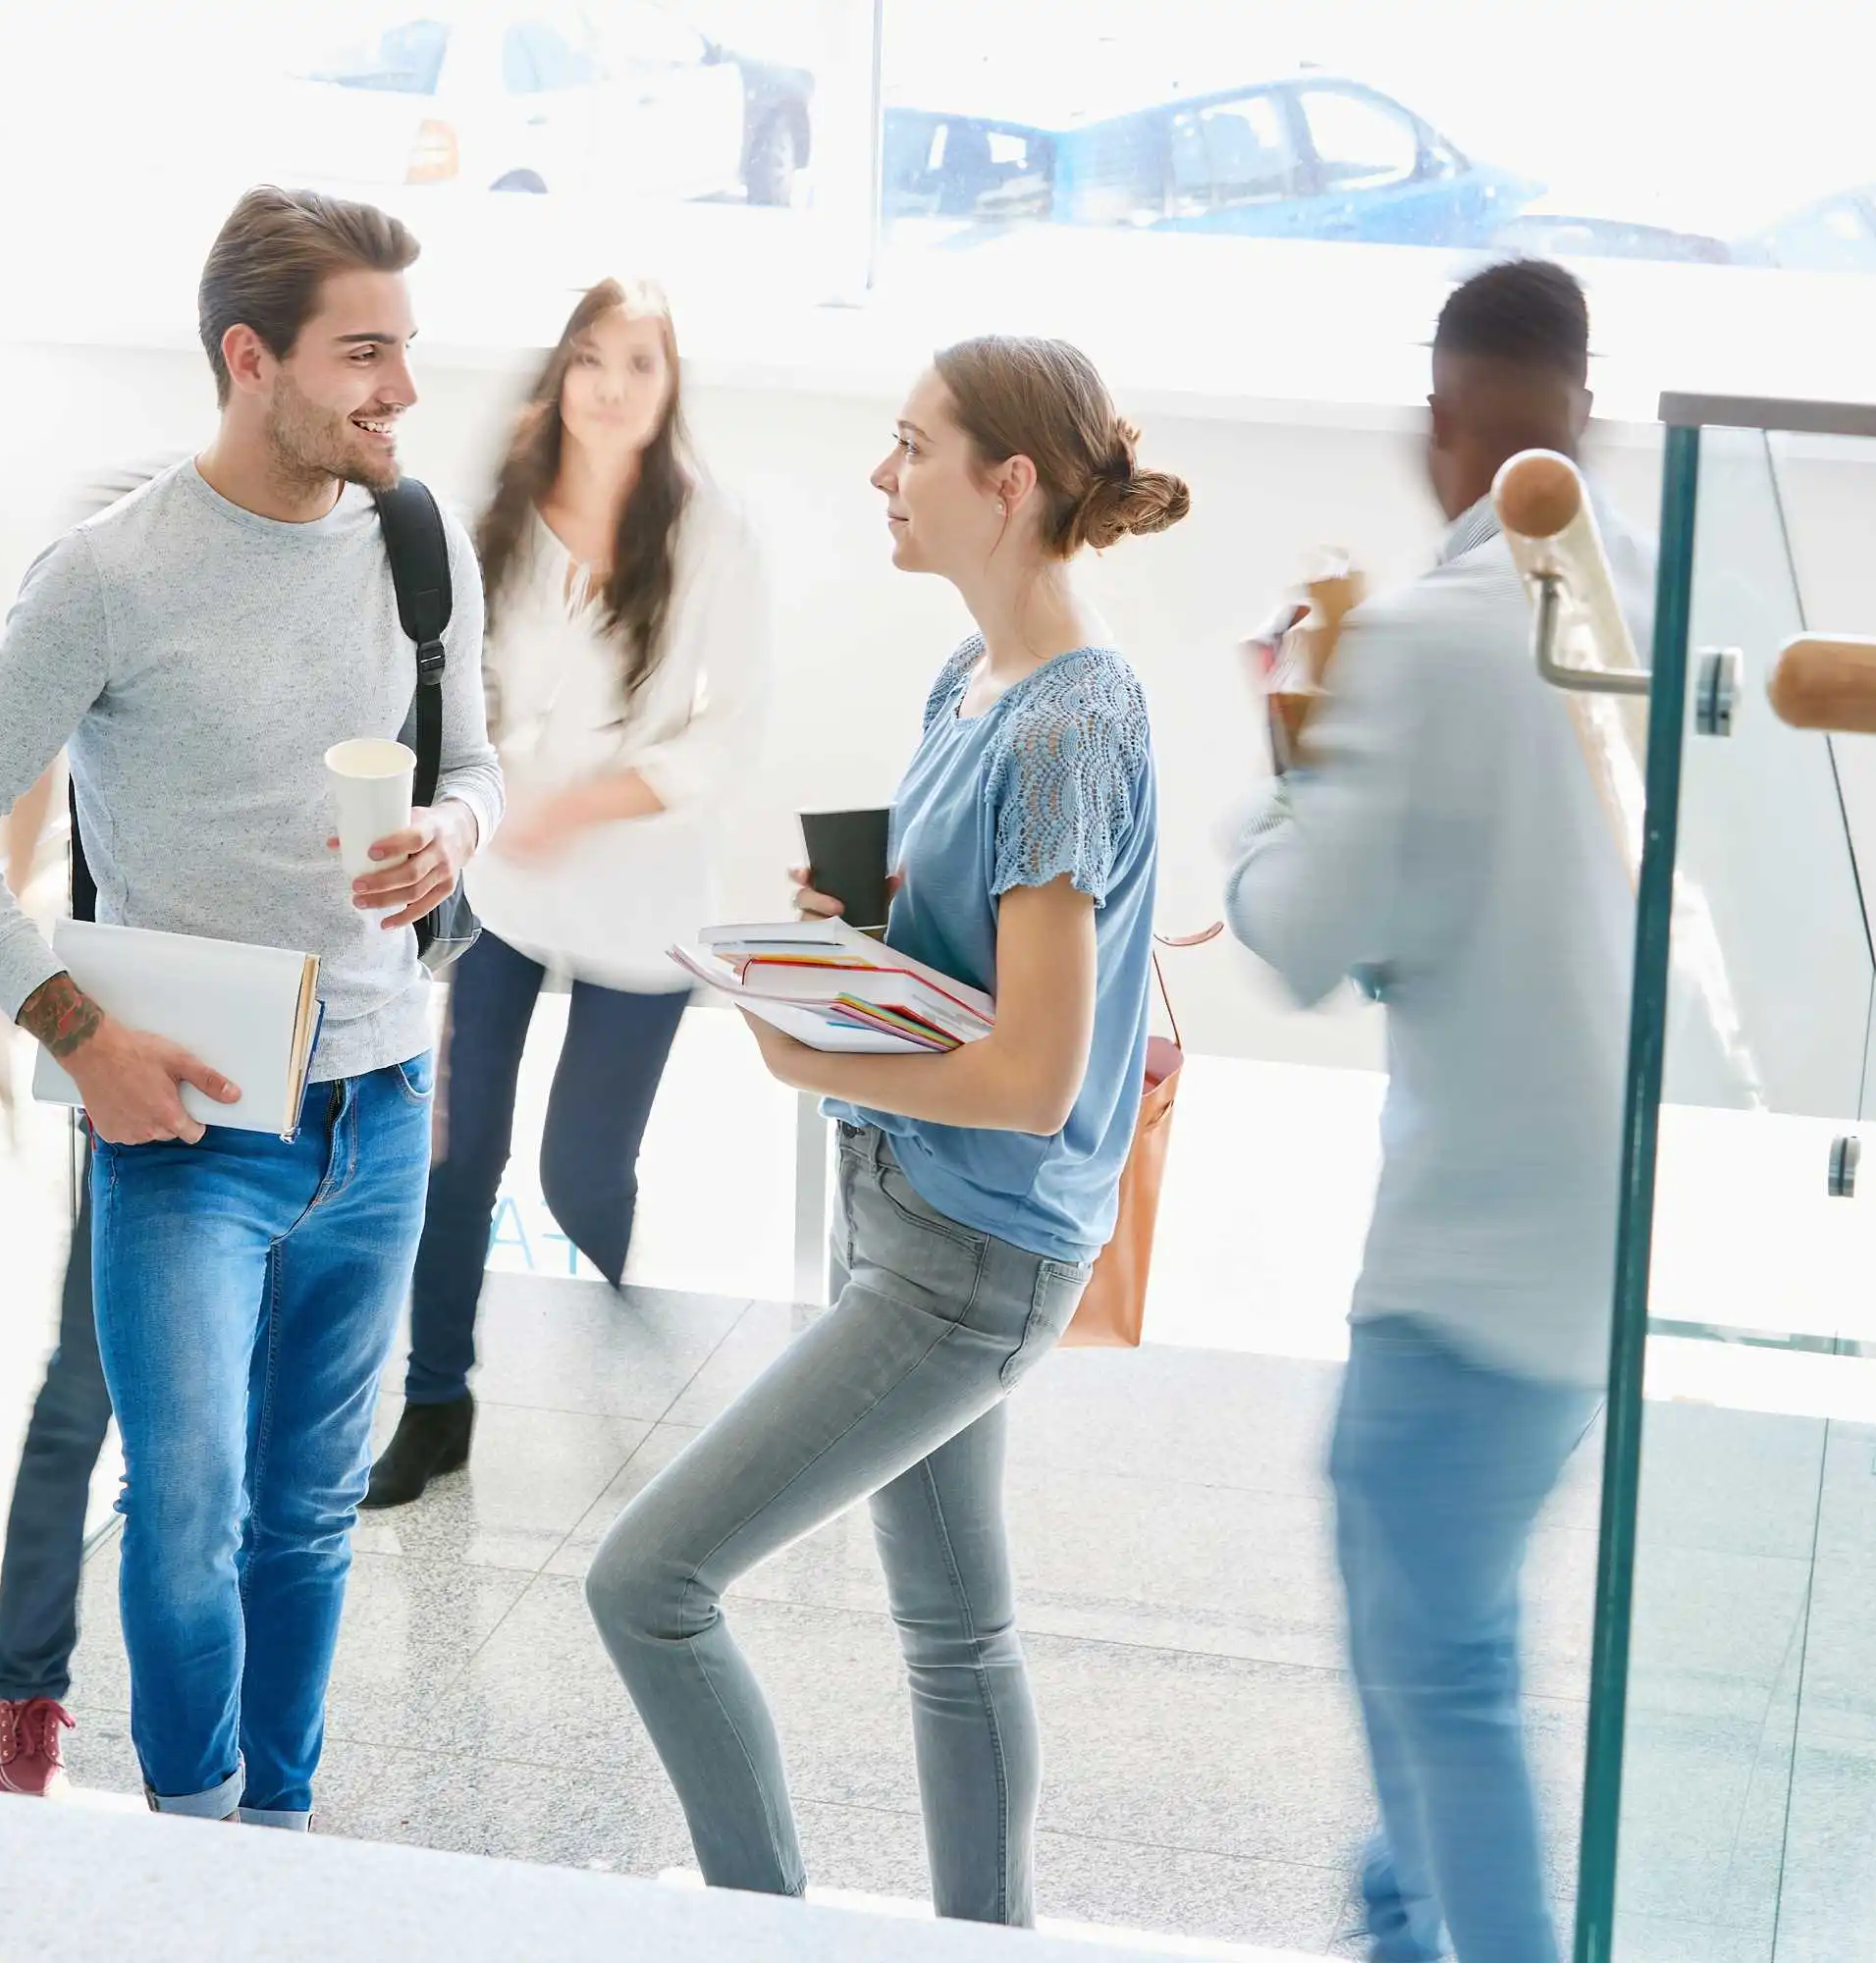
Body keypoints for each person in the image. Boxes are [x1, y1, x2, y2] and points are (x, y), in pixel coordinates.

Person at [0, 187, 500, 1830]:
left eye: (406, 351)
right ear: (252, 359)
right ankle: (190, 1844)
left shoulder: (420, 544)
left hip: (381, 1107)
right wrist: (77, 1033)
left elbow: (483, 765)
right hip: (187, 1126)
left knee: (305, 1513)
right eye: (365, 354)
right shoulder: (108, 575)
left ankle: (277, 1836)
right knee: (188, 1512)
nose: (402, 390)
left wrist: (456, 830)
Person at [584, 337, 1184, 1926]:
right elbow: (970, 970)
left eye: (911, 446)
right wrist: (851, 938)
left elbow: (1032, 1076)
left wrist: (813, 1064)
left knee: (648, 1585)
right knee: (956, 1636)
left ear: (1010, 484)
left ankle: (758, 1923)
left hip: (969, 1258)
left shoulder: (1071, 723)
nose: (880, 475)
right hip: (915, 1217)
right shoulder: (970, 679)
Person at [1224, 258, 1640, 1963]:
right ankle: (1400, 1930)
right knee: (1441, 1635)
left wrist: (1285, 760)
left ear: (1442, 427)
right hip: (1612, 1252)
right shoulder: (1656, 608)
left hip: (1468, 1261)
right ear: (1585, 413)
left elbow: (1304, 936)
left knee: (1446, 1669)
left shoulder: (1424, 641)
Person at [364, 278, 773, 1510]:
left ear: (668, 386)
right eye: (589, 359)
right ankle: (436, 1404)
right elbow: (440, 686)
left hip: (639, 897)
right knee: (457, 1151)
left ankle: (623, 1351)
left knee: (580, 1170)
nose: (608, 385)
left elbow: (728, 735)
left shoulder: (711, 534)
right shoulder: (493, 519)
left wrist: (583, 802)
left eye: (638, 364)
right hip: (502, 886)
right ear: (560, 374)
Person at [0, 454, 187, 1800]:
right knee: (79, 1402)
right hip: (124, 1070)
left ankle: (216, 1733)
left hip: (279, 1075)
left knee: (219, 1446)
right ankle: (25, 1701)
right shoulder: (91, 593)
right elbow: (12, 783)